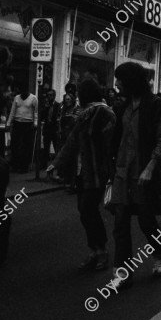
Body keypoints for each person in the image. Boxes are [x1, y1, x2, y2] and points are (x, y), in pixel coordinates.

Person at [109, 62, 161, 290]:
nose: (116, 84)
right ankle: (122, 272)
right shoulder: (122, 106)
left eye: (120, 80)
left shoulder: (156, 105)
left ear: (131, 81)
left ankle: (160, 253)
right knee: (120, 223)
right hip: (121, 173)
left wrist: (150, 167)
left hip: (143, 174)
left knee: (146, 221)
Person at [47, 78, 116, 271]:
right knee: (84, 212)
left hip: (96, 170)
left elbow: (109, 143)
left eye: (79, 92)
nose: (77, 96)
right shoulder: (85, 114)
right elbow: (72, 142)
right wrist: (56, 164)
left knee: (89, 210)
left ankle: (101, 251)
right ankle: (94, 250)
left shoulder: (104, 112)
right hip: (81, 171)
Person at [6, 82, 38, 173]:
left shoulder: (33, 98)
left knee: (26, 146)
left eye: (25, 91)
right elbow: (12, 111)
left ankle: (24, 166)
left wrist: (35, 123)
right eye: (21, 91)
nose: (23, 93)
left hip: (28, 123)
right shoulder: (17, 98)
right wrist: (8, 123)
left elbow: (36, 112)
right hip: (17, 123)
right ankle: (15, 165)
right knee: (14, 144)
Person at [41, 88, 60, 164]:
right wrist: (46, 108)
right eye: (48, 95)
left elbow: (58, 116)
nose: (49, 97)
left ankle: (58, 164)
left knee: (56, 147)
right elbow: (42, 117)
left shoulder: (58, 105)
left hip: (54, 129)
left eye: (51, 95)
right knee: (46, 147)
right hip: (47, 129)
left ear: (54, 96)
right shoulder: (45, 105)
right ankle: (44, 164)